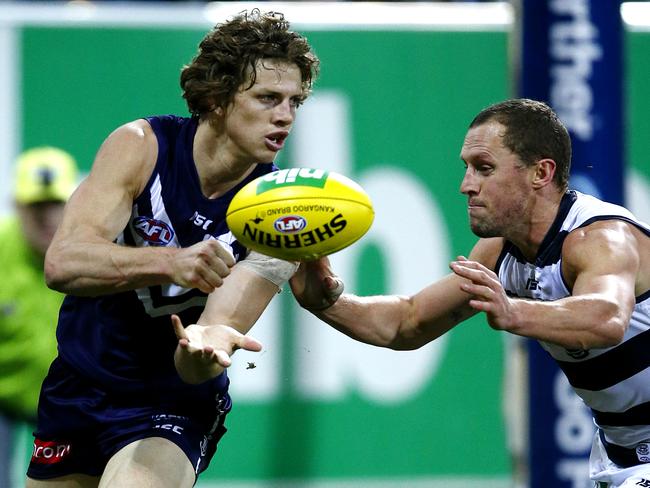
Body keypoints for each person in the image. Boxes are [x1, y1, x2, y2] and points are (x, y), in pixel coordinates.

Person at [289, 98, 650, 488]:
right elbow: (407, 323)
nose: (466, 186)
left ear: (541, 172)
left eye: (484, 169)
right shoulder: (499, 252)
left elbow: (607, 318)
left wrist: (514, 311)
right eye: (466, 168)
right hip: (621, 453)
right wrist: (327, 302)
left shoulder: (601, 238)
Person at [26, 10, 319, 488]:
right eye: (268, 98)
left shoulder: (279, 214)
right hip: (79, 382)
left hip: (171, 403)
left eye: (294, 101)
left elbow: (203, 350)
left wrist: (204, 347)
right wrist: (171, 261)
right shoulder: (142, 146)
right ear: (219, 98)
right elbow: (63, 264)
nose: (284, 115)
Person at [0, 147, 78, 488]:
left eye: (56, 205)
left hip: (71, 398)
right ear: (17, 205)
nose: (48, 218)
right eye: (37, 207)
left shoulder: (96, 255)